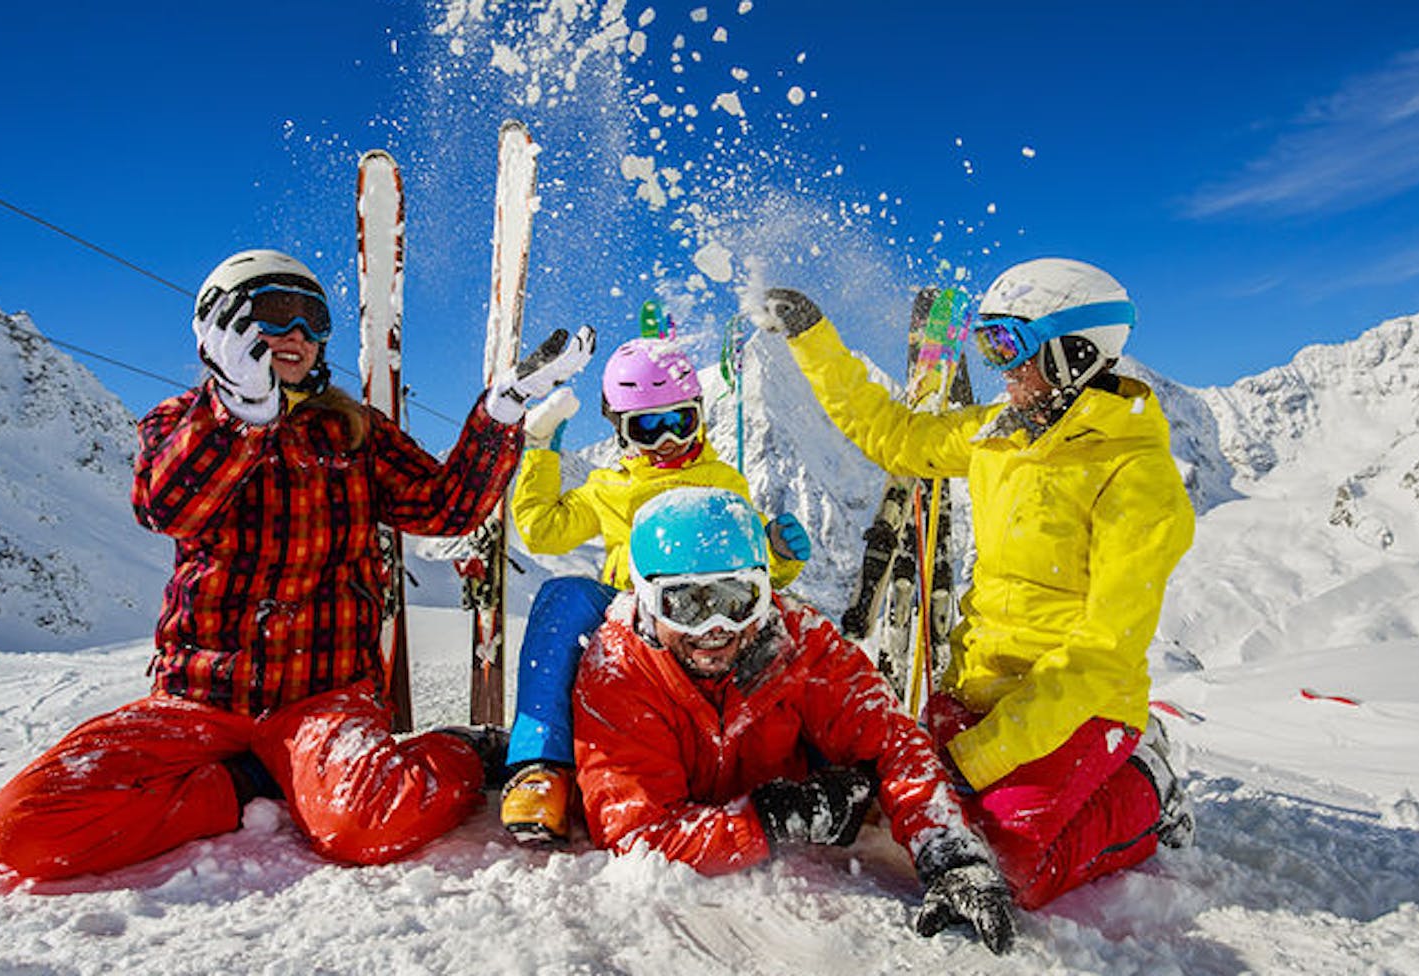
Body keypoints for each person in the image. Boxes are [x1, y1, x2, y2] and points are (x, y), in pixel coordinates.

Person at [0, 249, 593, 880]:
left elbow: (445, 507)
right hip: (199, 696)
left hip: (324, 697)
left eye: (312, 319)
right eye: (271, 313)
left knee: (367, 823)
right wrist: (241, 414)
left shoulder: (353, 433)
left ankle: (461, 750)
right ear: (217, 328)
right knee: (25, 827)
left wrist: (502, 411)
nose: (296, 334)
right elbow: (166, 506)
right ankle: (249, 783)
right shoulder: (180, 424)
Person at [750, 257, 1197, 910]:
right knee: (910, 821)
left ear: (1076, 351)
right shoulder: (999, 437)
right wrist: (811, 338)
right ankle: (999, 775)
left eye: (1011, 345)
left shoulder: (1136, 479)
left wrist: (975, 759)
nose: (1000, 367)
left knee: (1008, 870)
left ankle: (1145, 787)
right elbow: (894, 437)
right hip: (980, 685)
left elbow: (1102, 657)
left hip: (1074, 710)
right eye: (988, 345)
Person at [573, 487, 1016, 954]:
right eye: (684, 605)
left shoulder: (797, 640)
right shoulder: (619, 671)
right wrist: (776, 818)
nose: (715, 628)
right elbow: (638, 833)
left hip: (794, 761)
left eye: (737, 599)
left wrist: (949, 854)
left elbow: (892, 737)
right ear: (644, 600)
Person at [497, 337, 810, 844]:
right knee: (563, 597)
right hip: (629, 616)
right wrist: (539, 452)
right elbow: (541, 531)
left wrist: (779, 554)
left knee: (786, 619)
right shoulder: (609, 486)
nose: (665, 439)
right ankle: (541, 769)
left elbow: (752, 570)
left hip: (704, 617)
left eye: (678, 421)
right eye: (646, 427)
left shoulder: (722, 482)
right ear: (620, 431)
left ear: (700, 415)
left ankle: (796, 753)